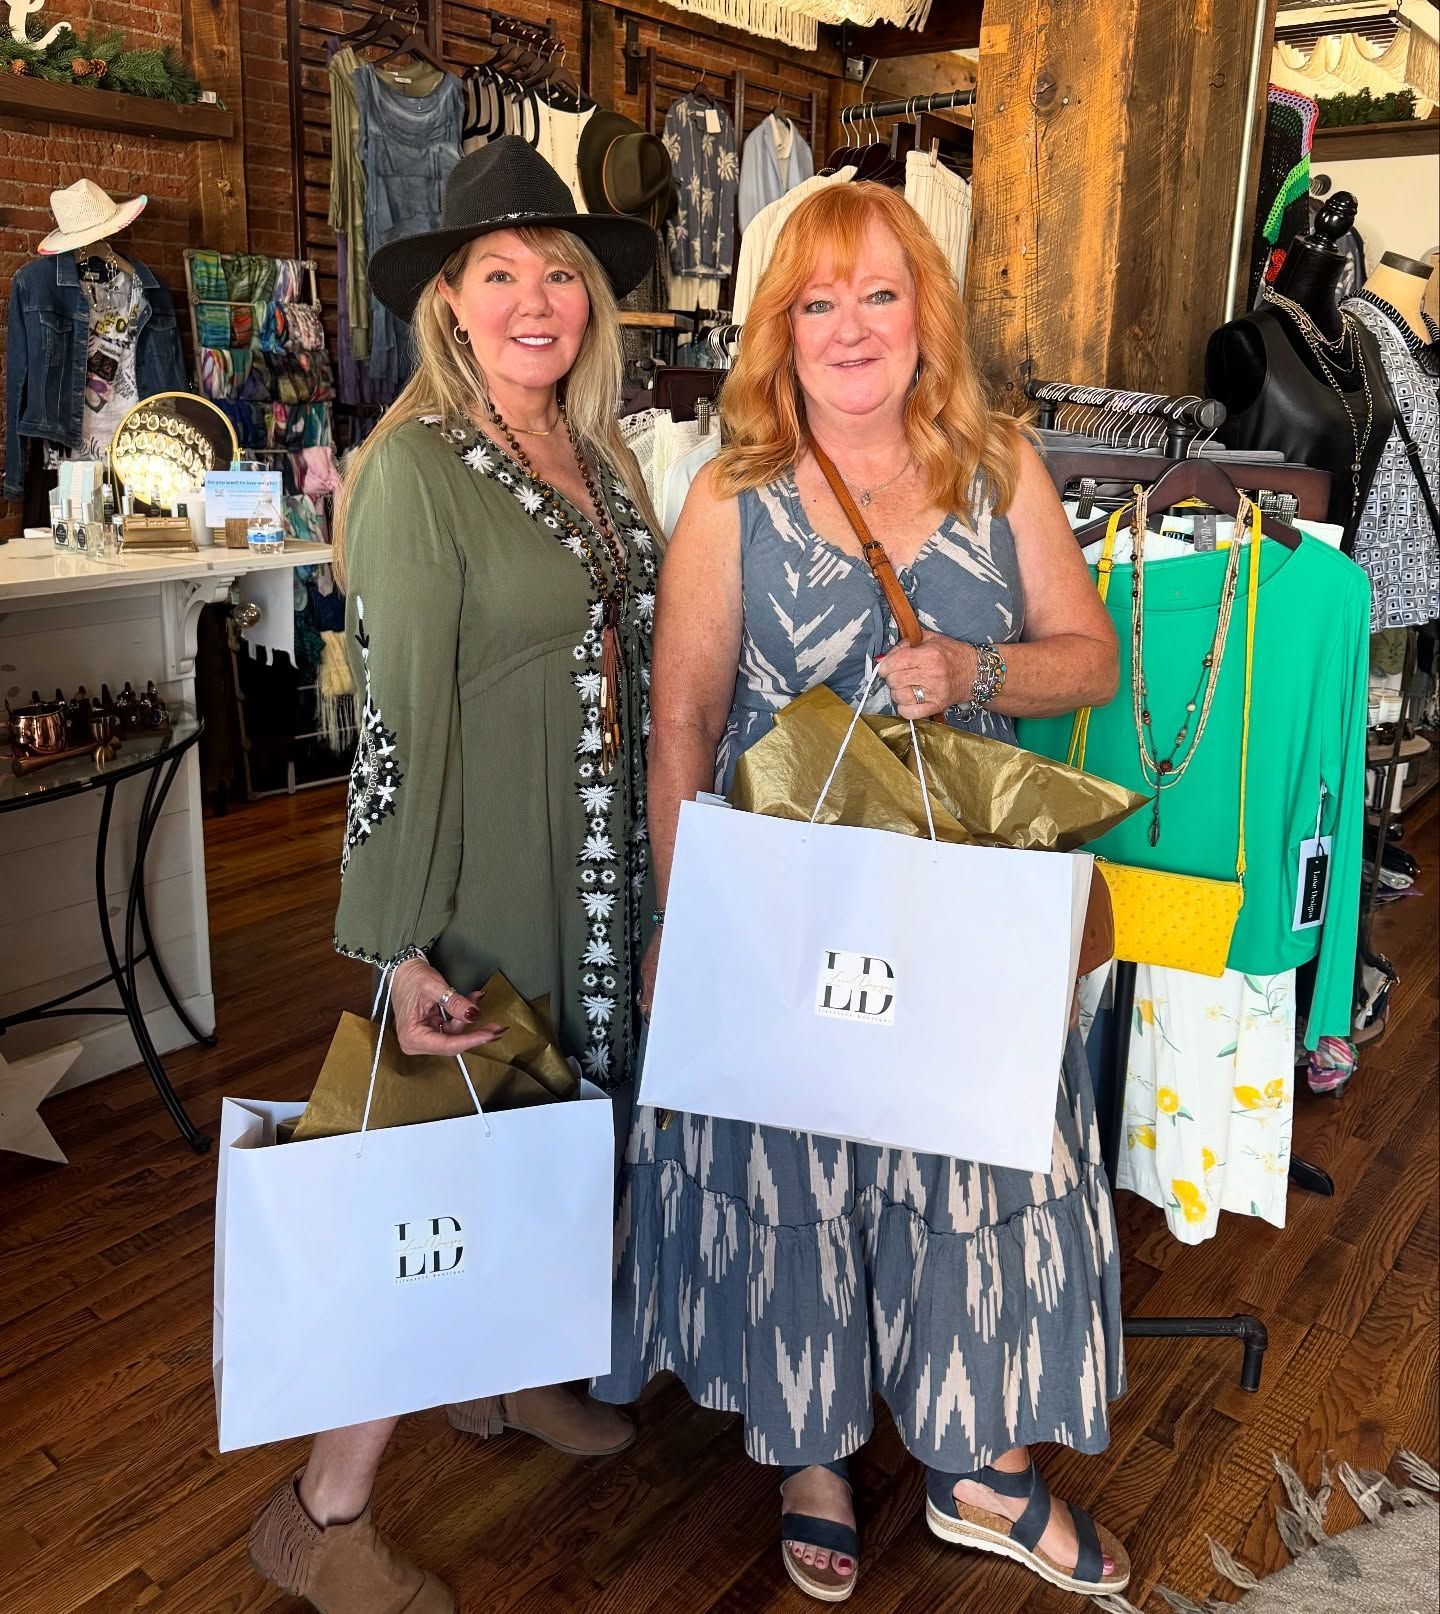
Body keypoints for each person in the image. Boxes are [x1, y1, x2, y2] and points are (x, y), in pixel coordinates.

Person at [595, 181, 1131, 1604]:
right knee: (803, 1172)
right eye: (818, 300)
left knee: (989, 1162)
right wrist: (685, 921)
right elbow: (684, 727)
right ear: (780, 325)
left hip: (966, 910)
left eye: (879, 294)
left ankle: (982, 1460)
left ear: (922, 315)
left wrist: (979, 671)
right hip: (792, 913)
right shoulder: (731, 493)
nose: (850, 327)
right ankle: (812, 1448)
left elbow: (1094, 658)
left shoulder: (996, 466)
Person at [246, 137, 662, 1614]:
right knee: (434, 1173)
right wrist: (396, 948)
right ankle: (323, 1508)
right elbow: (394, 725)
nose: (539, 296)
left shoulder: (598, 456)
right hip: (478, 875)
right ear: (452, 304)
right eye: (503, 272)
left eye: (562, 271)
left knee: (545, 1152)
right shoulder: (419, 470)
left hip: (597, 871)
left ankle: (503, 1382)